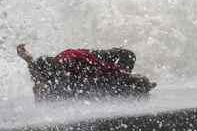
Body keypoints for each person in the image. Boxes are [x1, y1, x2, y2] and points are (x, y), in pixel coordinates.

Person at [17, 43, 156, 100]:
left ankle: (138, 83)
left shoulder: (70, 64)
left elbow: (105, 69)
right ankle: (137, 83)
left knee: (127, 67)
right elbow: (37, 69)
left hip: (96, 62)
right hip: (89, 64)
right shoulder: (57, 68)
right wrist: (27, 59)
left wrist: (130, 78)